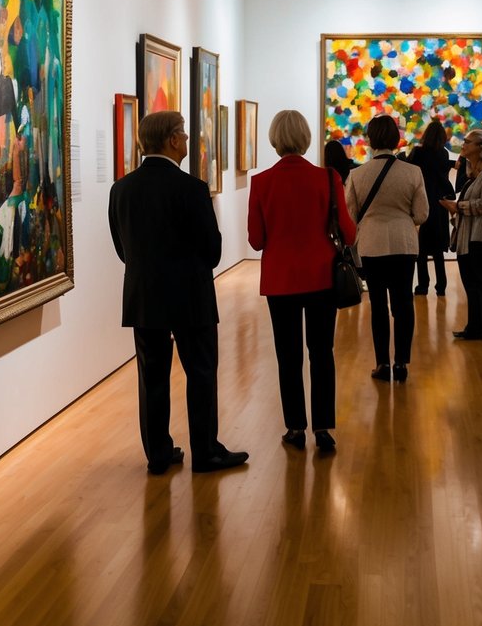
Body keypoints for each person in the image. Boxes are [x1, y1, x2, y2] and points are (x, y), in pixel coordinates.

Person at [108, 111, 249, 474]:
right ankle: (205, 451)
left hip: (144, 298)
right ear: (172, 140)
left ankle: (158, 454)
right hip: (191, 297)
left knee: (151, 376)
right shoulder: (191, 189)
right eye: (184, 135)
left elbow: (123, 249)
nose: (188, 140)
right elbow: (213, 252)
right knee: (201, 372)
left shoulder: (121, 189)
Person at [248, 110, 356, 453]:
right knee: (322, 352)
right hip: (322, 276)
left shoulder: (262, 182)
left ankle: (295, 427)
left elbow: (255, 240)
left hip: (280, 280)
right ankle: (323, 428)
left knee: (288, 355)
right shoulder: (327, 178)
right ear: (307, 138)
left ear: (274, 138)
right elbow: (349, 234)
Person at [346, 114, 428, 382]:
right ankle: (402, 363)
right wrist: (402, 219)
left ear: (370, 140)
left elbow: (351, 215)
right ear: (396, 139)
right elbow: (422, 213)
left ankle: (382, 363)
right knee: (404, 303)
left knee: (378, 305)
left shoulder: (357, 175)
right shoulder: (413, 172)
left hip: (372, 244)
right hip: (404, 243)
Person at [440, 128, 482, 341]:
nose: (463, 145)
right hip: (467, 236)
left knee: (481, 282)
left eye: (468, 142)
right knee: (471, 282)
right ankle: (476, 325)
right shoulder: (471, 172)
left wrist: (458, 207)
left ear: (481, 147)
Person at [408, 120, 454, 296]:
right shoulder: (443, 154)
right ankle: (441, 286)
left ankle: (423, 285)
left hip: (422, 201)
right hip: (439, 204)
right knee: (437, 249)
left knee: (421, 248)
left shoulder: (418, 153)